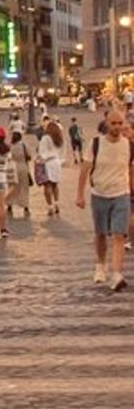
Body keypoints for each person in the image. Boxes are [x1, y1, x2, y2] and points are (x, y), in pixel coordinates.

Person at [76, 110, 133, 292]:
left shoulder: (129, 145)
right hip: (99, 194)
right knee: (101, 233)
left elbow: (131, 169)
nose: (117, 126)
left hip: (121, 194)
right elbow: (84, 169)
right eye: (113, 123)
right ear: (107, 123)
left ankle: (116, 274)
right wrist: (79, 195)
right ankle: (100, 264)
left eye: (120, 123)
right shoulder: (95, 144)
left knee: (118, 235)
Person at [37, 120, 65, 216]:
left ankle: (50, 206)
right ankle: (57, 203)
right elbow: (63, 152)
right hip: (57, 162)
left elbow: (42, 152)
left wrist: (40, 160)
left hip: (48, 163)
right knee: (55, 185)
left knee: (47, 185)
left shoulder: (45, 138)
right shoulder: (60, 139)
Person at [6, 130, 32, 219]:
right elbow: (29, 156)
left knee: (12, 186)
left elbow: (7, 156)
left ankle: (9, 204)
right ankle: (25, 205)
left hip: (12, 167)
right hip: (23, 166)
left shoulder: (10, 146)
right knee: (24, 187)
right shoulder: (24, 145)